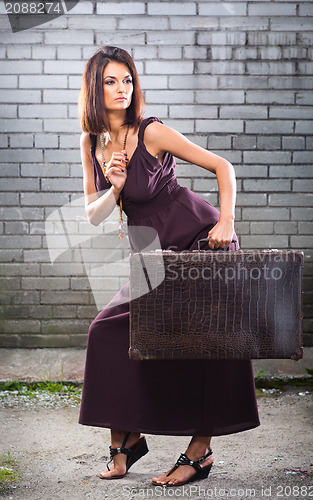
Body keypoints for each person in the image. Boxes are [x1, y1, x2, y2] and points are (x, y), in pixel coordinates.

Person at [78, 46, 260, 487]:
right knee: (108, 330)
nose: (123, 89)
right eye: (111, 81)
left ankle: (200, 452)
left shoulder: (152, 132)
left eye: (128, 80)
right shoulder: (91, 142)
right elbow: (93, 215)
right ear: (94, 87)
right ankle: (126, 442)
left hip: (198, 238)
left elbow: (223, 166)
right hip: (150, 251)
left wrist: (226, 221)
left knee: (209, 340)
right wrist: (116, 187)